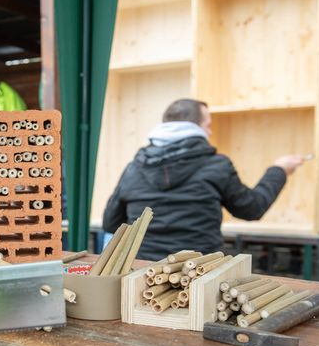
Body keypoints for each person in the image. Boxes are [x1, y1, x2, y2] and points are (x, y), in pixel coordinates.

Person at [102, 98, 304, 260]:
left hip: (143, 275)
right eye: (208, 125)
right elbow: (252, 209)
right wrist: (279, 170)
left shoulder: (134, 167)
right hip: (199, 273)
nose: (210, 131)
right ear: (196, 128)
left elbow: (111, 223)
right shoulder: (217, 165)